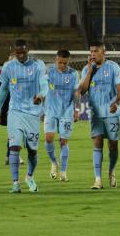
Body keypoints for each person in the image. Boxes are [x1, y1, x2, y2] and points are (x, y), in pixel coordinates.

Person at [0, 39, 48, 193]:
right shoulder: (8, 67)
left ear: (28, 50)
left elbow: (44, 85)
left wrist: (41, 95)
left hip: (33, 112)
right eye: (18, 53)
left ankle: (29, 177)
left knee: (32, 151)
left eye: (23, 52)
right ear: (14, 52)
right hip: (15, 111)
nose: (21, 55)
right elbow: (3, 89)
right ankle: (15, 183)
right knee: (14, 146)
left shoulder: (38, 65)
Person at [78, 41, 120, 189]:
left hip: (111, 112)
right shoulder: (87, 69)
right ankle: (98, 179)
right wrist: (90, 73)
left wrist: (117, 102)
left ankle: (111, 171)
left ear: (103, 53)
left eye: (96, 51)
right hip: (96, 114)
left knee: (113, 144)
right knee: (97, 142)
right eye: (91, 51)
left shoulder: (113, 67)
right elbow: (82, 91)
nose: (93, 54)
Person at [44, 50, 80, 181]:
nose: (63, 65)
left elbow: (76, 92)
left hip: (67, 111)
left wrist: (77, 109)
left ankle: (63, 171)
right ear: (56, 60)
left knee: (63, 141)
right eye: (60, 62)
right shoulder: (49, 71)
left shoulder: (73, 74)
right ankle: (54, 162)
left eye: (65, 63)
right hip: (51, 110)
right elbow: (42, 86)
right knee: (48, 138)